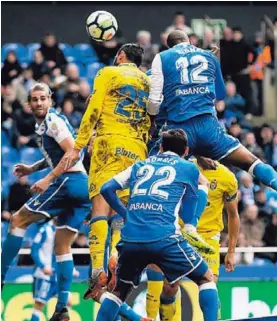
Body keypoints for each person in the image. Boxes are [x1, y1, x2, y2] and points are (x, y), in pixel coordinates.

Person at [99, 129, 219, 321]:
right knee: (206, 278)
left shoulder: (139, 165)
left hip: (130, 238)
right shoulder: (188, 168)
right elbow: (186, 213)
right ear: (186, 151)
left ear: (161, 148)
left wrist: (126, 214)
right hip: (164, 238)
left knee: (118, 292)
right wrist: (191, 220)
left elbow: (106, 188)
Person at [64, 43, 151, 298]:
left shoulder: (108, 73)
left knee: (100, 208)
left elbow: (93, 110)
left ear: (121, 56)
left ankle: (98, 270)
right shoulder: (147, 82)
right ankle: (115, 255)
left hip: (109, 142)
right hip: (137, 149)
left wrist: (78, 146)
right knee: (121, 210)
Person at [1, 83, 91, 321]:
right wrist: (33, 167)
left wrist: (47, 179)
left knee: (18, 220)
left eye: (43, 98)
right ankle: (62, 309)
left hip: (69, 182)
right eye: (35, 99)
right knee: (62, 246)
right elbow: (60, 155)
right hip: (81, 188)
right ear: (28, 104)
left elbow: (72, 154)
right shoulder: (47, 123)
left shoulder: (53, 121)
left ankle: (0, 276)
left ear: (50, 100)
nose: (39, 103)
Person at [147, 30, 277, 193]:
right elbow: (221, 94)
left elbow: (154, 100)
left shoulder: (163, 58)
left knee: (151, 173)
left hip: (179, 132)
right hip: (208, 127)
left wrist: (152, 123)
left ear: (169, 46)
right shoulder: (209, 56)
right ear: (189, 41)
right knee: (252, 163)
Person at [145, 159, 240, 320]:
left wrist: (231, 252)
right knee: (170, 288)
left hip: (208, 238)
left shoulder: (227, 177)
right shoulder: (184, 168)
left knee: (210, 284)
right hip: (181, 234)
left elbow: (233, 215)